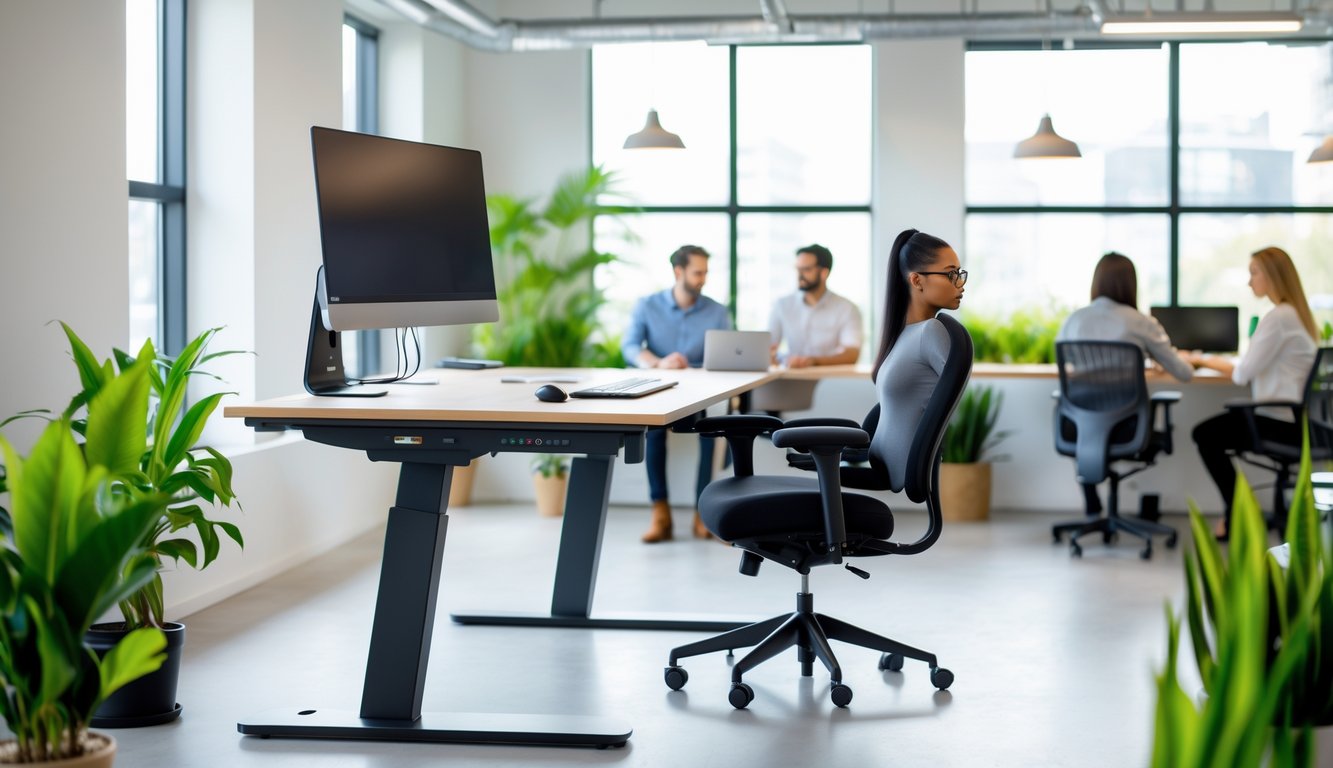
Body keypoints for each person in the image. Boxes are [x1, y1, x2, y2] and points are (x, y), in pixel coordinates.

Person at [1185, 246, 1319, 539]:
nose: (1250, 282)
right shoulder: (1297, 315)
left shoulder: (1279, 317)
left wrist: (1199, 358)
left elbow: (1242, 373)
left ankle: (1238, 515)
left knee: (1204, 435)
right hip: (1298, 423)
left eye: (1254, 273)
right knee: (1210, 433)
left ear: (1273, 276)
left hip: (1280, 423)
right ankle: (1239, 512)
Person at [1056, 252, 1194, 517]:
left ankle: (1091, 499)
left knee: (1085, 412)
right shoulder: (1140, 322)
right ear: (1131, 284)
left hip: (1079, 428)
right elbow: (1184, 373)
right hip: (1128, 428)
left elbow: (1067, 366)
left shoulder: (1074, 320)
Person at [622, 245, 732, 543]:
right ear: (678, 271)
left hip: (700, 390)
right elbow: (630, 347)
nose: (703, 279)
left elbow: (728, 353)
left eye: (706, 272)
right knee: (653, 435)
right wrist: (658, 362)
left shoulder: (717, 311)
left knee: (711, 433)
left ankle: (702, 513)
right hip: (659, 388)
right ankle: (661, 513)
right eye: (698, 272)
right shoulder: (647, 305)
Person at [870, 229, 966, 489]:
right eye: (950, 274)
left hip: (888, 466)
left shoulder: (930, 332)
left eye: (958, 273)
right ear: (916, 280)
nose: (960, 283)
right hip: (875, 460)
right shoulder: (906, 335)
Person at [768, 244, 863, 368]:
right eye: (798, 269)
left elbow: (852, 355)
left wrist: (814, 361)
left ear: (824, 273)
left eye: (806, 270)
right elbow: (769, 347)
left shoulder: (847, 308)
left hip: (829, 380)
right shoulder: (782, 305)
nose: (799, 275)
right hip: (788, 377)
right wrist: (773, 357)